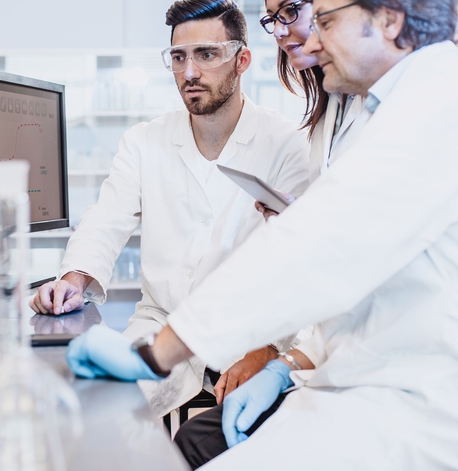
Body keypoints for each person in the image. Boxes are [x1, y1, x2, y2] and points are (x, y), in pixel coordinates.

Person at [66, 0, 458, 468]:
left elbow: (314, 249)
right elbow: (353, 273)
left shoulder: (434, 102)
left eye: (325, 20)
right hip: (337, 371)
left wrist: (161, 353)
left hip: (408, 400)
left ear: (390, 19)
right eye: (178, 57)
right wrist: (291, 364)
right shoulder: (380, 106)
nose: (309, 40)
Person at [30, 0, 310, 418]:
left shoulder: (288, 144)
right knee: (93, 415)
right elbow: (106, 220)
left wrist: (268, 348)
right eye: (179, 57)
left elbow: (302, 266)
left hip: (248, 337)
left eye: (207, 55)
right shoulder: (145, 141)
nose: (190, 73)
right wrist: (73, 278)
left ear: (242, 60)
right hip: (160, 326)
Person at [174, 0, 373, 466]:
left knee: (199, 442)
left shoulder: (400, 117)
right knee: (192, 438)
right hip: (319, 348)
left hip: (366, 369)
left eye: (295, 13)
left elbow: (356, 268)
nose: (284, 32)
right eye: (273, 18)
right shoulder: (330, 108)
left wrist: (281, 356)